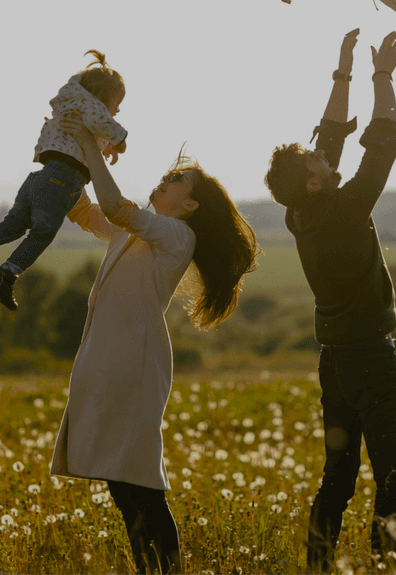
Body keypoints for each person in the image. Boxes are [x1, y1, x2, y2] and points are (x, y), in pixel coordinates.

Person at [49, 114, 259, 574]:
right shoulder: (140, 232)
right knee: (123, 484)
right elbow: (87, 210)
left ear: (189, 206)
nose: (164, 182)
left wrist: (88, 143)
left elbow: (113, 205)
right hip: (112, 362)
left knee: (138, 482)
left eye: (175, 181)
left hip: (133, 366)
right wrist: (62, 152)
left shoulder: (176, 236)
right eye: (166, 176)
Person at [264, 27, 396, 573]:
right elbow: (384, 139)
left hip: (334, 364)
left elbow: (331, 136)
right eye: (319, 164)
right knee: (395, 479)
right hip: (372, 362)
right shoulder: (347, 208)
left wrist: (344, 68)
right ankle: (385, 568)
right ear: (313, 181)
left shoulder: (300, 213)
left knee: (338, 480)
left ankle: (318, 568)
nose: (329, 160)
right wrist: (383, 78)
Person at [0, 50, 128, 310]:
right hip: (61, 181)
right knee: (42, 233)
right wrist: (118, 145)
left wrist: (102, 146)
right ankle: (6, 274)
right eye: (116, 106)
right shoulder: (94, 108)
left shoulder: (68, 103)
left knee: (13, 225)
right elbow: (116, 134)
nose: (117, 111)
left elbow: (85, 136)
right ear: (100, 98)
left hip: (39, 178)